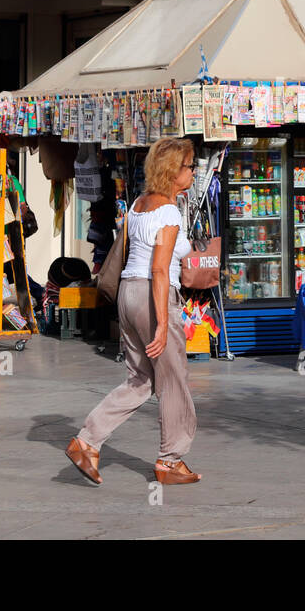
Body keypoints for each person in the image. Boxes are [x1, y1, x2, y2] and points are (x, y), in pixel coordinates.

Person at [66, 137, 200, 486]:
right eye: (189, 165)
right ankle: (170, 461)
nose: (193, 171)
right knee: (173, 381)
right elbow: (159, 269)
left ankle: (86, 440)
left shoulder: (141, 204)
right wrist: (161, 325)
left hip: (128, 293)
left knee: (141, 380)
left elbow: (158, 254)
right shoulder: (169, 212)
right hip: (152, 296)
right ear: (174, 171)